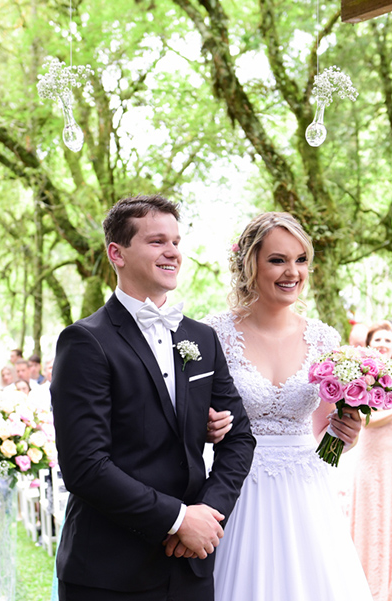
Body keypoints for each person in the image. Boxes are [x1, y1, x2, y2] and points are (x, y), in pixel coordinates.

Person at [51, 194, 256, 600]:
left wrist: (206, 516)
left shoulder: (202, 338)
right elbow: (85, 466)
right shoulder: (85, 342)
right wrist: (177, 520)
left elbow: (240, 437)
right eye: (157, 241)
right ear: (117, 253)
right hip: (109, 571)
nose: (172, 253)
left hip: (189, 567)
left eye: (176, 242)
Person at [204, 212, 372, 600]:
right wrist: (205, 427)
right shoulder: (214, 334)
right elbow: (191, 418)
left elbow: (326, 443)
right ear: (250, 264)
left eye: (300, 260)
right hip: (237, 486)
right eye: (278, 260)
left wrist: (343, 438)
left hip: (308, 493)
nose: (292, 272)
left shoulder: (323, 338)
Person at [347, 321, 392, 601]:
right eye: (377, 340)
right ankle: (367, 589)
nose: (382, 345)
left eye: (388, 341)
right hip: (370, 457)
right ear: (369, 343)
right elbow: (366, 420)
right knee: (371, 518)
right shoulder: (360, 372)